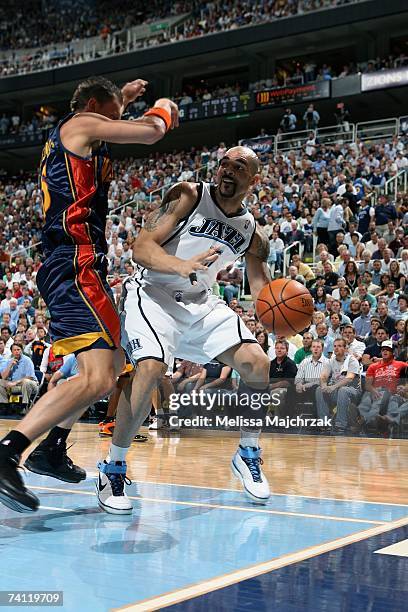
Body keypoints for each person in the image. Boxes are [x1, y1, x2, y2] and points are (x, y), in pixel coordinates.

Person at [0, 76, 179, 512]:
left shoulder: (80, 127)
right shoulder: (80, 125)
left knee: (114, 364)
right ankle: (9, 451)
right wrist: (164, 106)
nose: (115, 124)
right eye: (114, 113)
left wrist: (126, 96)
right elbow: (152, 131)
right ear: (96, 107)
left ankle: (51, 447)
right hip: (74, 261)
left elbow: (104, 105)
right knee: (97, 377)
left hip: (83, 264)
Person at [96, 146, 272, 514]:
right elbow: (140, 249)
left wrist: (276, 310)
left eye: (238, 167)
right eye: (223, 163)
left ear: (253, 180)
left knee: (258, 363)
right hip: (152, 292)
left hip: (199, 301)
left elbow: (261, 288)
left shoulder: (252, 233)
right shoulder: (189, 194)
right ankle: (113, 466)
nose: (227, 170)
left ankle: (248, 453)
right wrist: (179, 265)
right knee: (151, 369)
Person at [357, 341, 406, 430]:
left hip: (390, 392)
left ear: (392, 352)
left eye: (388, 350)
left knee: (379, 398)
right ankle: (362, 418)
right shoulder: (373, 366)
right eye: (383, 350)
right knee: (366, 401)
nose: (385, 352)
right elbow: (368, 385)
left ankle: (369, 422)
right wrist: (373, 390)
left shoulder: (400, 364)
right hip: (373, 391)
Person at [316, 338, 361, 434]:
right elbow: (323, 376)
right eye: (335, 346)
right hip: (336, 390)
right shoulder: (330, 361)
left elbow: (349, 378)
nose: (336, 348)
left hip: (353, 391)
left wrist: (333, 387)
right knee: (319, 389)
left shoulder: (352, 360)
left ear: (345, 349)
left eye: (339, 346)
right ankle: (324, 423)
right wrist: (324, 385)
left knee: (343, 390)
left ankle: (340, 425)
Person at [0, 343, 39, 408]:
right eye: (14, 350)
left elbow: (30, 377)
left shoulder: (27, 360)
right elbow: (3, 377)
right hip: (14, 386)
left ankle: (24, 406)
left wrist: (15, 383)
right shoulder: (9, 361)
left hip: (31, 385)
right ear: (12, 352)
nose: (17, 352)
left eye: (18, 349)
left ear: (21, 350)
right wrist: (10, 366)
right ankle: (4, 405)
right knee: (0, 382)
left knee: (26, 382)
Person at [295, 339, 329, 409]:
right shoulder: (304, 362)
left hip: (317, 388)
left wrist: (310, 385)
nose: (315, 349)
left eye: (318, 347)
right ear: (311, 349)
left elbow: (325, 380)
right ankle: (289, 417)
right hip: (304, 387)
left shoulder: (328, 362)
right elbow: (298, 377)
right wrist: (299, 384)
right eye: (313, 347)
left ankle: (315, 416)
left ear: (322, 349)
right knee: (290, 389)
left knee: (315, 388)